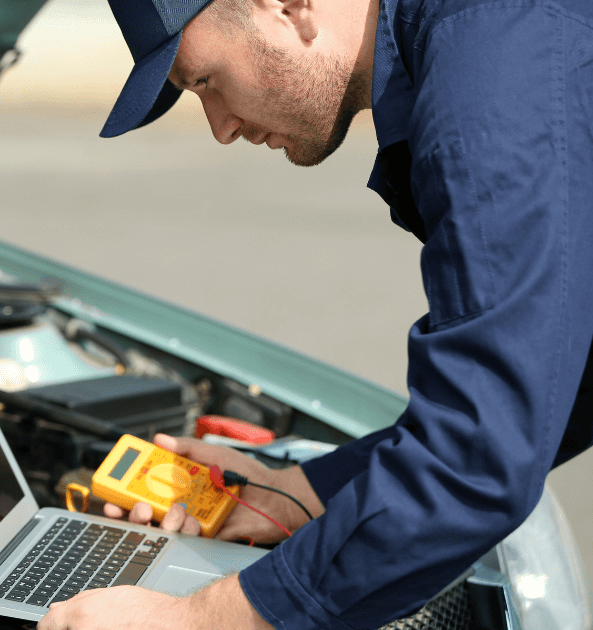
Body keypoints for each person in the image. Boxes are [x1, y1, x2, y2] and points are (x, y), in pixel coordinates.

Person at [36, 0, 593, 627]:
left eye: (204, 81)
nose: (219, 128)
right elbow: (558, 375)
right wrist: (300, 494)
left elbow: (478, 456)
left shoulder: (493, 82)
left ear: (289, 6)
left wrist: (198, 620)